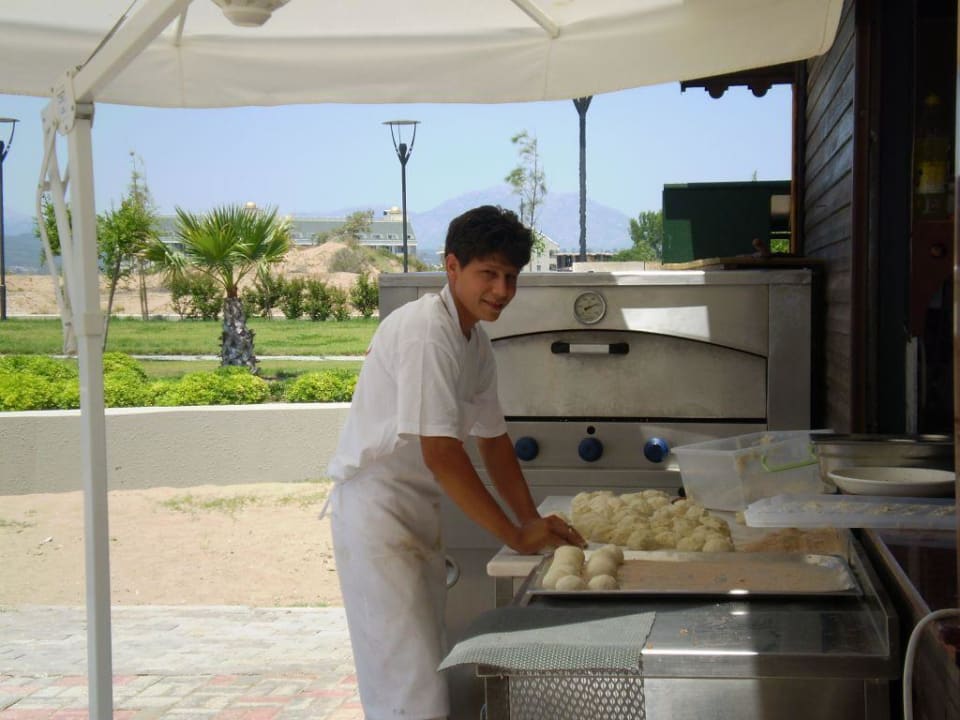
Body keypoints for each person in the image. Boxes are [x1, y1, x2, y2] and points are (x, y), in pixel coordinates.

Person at [325, 205, 585, 720]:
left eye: (511, 276)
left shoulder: (474, 341)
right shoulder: (427, 332)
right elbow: (442, 454)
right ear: (451, 267)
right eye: (488, 273)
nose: (502, 290)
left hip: (415, 512)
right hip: (377, 515)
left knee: (422, 669)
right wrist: (515, 534)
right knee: (407, 688)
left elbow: (494, 442)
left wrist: (531, 521)